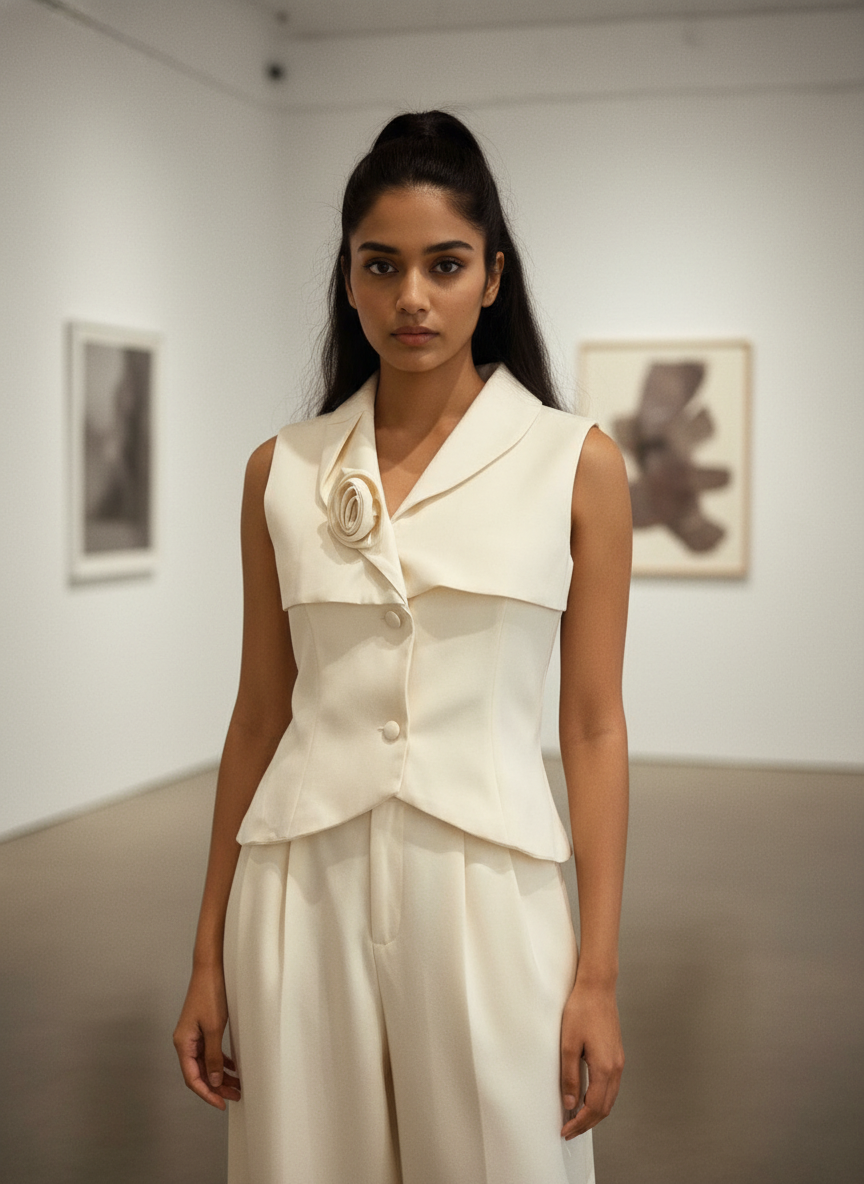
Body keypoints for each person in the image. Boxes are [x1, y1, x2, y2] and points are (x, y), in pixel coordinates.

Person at [173, 110, 631, 1184]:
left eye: (445, 264)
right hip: (298, 888)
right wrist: (205, 955)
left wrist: (599, 972)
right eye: (382, 265)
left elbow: (596, 724)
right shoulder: (279, 471)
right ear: (348, 277)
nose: (411, 296)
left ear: (492, 276)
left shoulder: (577, 463)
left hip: (491, 889)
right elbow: (256, 714)